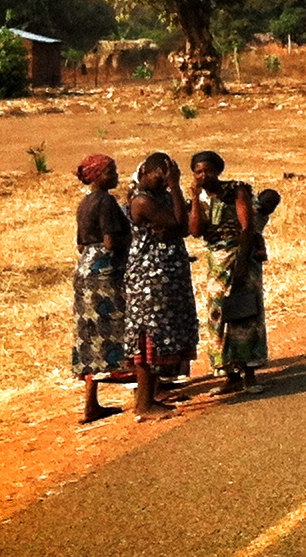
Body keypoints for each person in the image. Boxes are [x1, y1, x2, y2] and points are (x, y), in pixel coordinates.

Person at [124, 151, 198, 420]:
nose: (162, 184)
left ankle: (153, 395)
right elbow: (179, 224)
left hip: (168, 273)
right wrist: (176, 187)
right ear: (143, 172)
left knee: (164, 332)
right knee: (149, 336)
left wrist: (173, 199)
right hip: (150, 277)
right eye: (159, 179)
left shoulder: (160, 196)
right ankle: (143, 405)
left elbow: (181, 227)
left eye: (165, 180)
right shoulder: (142, 200)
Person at [189, 150, 268, 392]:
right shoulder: (200, 198)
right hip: (216, 261)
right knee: (218, 316)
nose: (204, 175)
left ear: (218, 170)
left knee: (246, 313)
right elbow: (195, 231)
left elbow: (246, 228)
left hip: (240, 255)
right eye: (199, 171)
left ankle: (250, 374)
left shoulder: (236, 190)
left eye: (208, 170)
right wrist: (193, 198)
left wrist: (243, 262)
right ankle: (230, 375)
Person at [71, 153, 130, 424]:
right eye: (111, 172)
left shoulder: (84, 203)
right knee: (119, 329)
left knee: (90, 336)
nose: (116, 176)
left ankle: (90, 403)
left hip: (84, 272)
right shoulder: (106, 202)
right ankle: (148, 392)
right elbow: (110, 242)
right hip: (105, 272)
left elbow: (82, 245)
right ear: (97, 176)